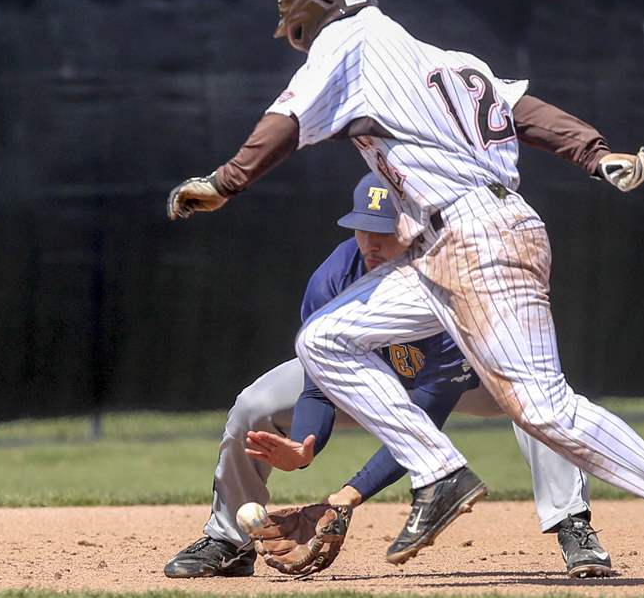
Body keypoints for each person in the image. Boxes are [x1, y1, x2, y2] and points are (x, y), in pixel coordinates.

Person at [166, 0, 644, 587]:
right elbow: (527, 112)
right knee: (326, 338)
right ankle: (438, 473)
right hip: (447, 244)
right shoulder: (447, 61)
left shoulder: (349, 39)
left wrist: (226, 181)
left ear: (307, 12)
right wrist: (595, 153)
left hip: (477, 238)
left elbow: (289, 118)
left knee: (544, 410)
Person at [164, 174, 613, 579]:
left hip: (472, 378)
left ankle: (573, 525)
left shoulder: (451, 283)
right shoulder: (335, 277)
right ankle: (229, 540)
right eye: (363, 228)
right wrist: (305, 447)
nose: (371, 243)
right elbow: (320, 386)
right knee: (255, 405)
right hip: (369, 376)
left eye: (385, 231)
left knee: (539, 397)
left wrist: (346, 497)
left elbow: (423, 421)